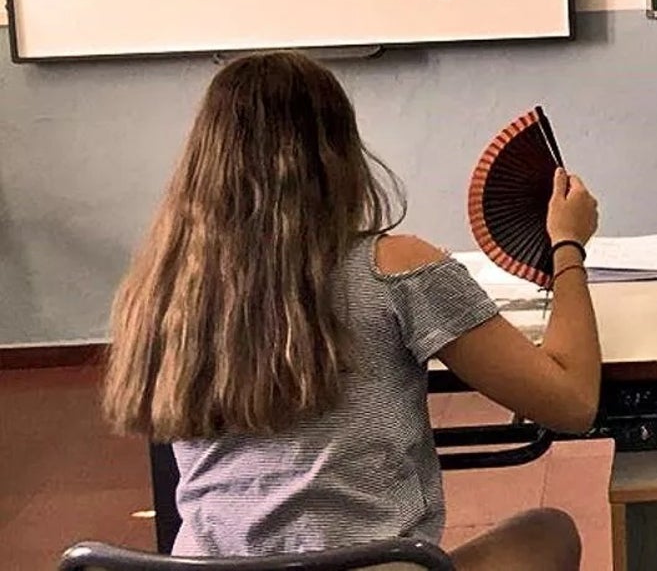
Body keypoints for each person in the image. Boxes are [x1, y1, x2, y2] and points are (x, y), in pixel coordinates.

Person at [102, 51, 601, 571]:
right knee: (548, 533)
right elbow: (570, 402)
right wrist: (568, 245)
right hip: (375, 566)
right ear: (338, 155)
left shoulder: (161, 288)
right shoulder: (397, 269)